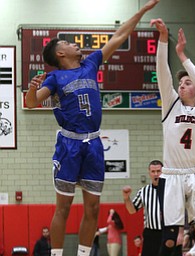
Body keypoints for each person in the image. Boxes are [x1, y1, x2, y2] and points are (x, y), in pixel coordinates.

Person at [25, 1, 159, 256]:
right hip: (69, 144)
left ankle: (84, 254)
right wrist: (32, 88)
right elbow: (31, 103)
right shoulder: (55, 78)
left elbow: (119, 36)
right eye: (67, 43)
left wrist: (141, 12)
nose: (74, 44)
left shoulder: (91, 64)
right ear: (60, 54)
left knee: (93, 208)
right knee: (63, 207)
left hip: (94, 143)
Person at [150, 18, 195, 256]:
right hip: (172, 174)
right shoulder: (171, 106)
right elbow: (162, 73)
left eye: (186, 83)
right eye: (180, 83)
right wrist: (163, 41)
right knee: (169, 240)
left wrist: (182, 55)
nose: (182, 85)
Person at [122, 160, 163, 256]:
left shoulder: (171, 189)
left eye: (158, 171)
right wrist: (126, 198)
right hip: (150, 234)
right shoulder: (144, 191)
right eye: (153, 171)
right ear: (149, 173)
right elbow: (132, 210)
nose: (156, 174)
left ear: (163, 172)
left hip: (167, 232)